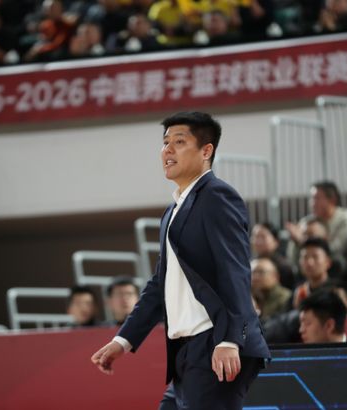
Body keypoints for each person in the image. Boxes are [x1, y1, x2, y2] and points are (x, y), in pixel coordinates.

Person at [91, 112, 269, 410]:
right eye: (165, 142)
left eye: (179, 141)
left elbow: (235, 271)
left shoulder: (217, 195)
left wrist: (230, 340)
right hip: (186, 352)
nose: (168, 150)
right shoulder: (173, 210)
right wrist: (123, 341)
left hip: (216, 343)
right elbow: (159, 285)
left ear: (206, 151)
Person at [286, 181, 347, 259]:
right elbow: (292, 258)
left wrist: (309, 240)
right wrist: (295, 241)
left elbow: (338, 251)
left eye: (317, 198)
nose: (312, 203)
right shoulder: (306, 222)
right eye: (311, 198)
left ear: (332, 200)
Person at [292, 238, 336, 309]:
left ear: (328, 262)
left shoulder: (336, 293)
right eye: (305, 257)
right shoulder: (299, 293)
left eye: (315, 257)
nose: (310, 263)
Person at [250, 256, 292, 322]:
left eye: (261, 272)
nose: (255, 277)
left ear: (275, 276)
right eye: (252, 273)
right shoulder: (248, 296)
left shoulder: (285, 298)